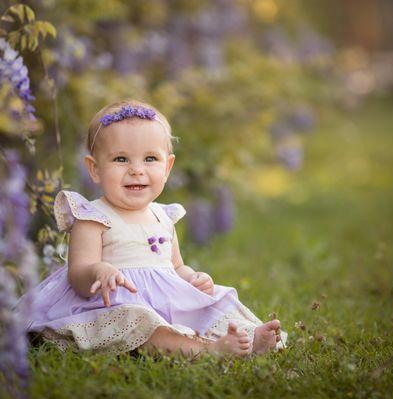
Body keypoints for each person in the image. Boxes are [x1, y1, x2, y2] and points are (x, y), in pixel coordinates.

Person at [21, 99, 287, 356]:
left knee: (213, 302)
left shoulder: (163, 216)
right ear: (94, 169)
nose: (137, 170)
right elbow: (77, 274)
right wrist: (98, 271)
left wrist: (192, 278)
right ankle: (209, 351)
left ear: (168, 167)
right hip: (113, 306)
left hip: (165, 303)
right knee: (146, 324)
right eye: (121, 160)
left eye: (150, 159)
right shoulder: (92, 217)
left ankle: (249, 337)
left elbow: (175, 267)